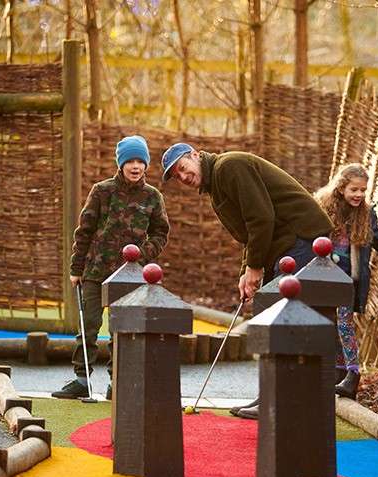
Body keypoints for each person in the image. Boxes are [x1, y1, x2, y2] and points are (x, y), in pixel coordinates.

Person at [161, 143, 333, 419]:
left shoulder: (230, 166)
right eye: (176, 176)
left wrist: (255, 266)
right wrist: (247, 271)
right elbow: (248, 234)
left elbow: (261, 218)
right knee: (271, 312)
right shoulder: (216, 188)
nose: (182, 177)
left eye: (182, 168)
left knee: (282, 317)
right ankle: (272, 394)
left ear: (195, 155)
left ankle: (283, 399)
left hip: (302, 237)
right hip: (284, 244)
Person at [53, 135, 170, 400]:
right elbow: (84, 230)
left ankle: (116, 381)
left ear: (146, 165)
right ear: (121, 164)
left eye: (141, 160)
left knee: (121, 329)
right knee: (90, 324)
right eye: (130, 160)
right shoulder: (101, 190)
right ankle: (82, 379)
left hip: (129, 275)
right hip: (95, 270)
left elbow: (161, 233)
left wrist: (143, 254)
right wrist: (76, 267)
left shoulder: (152, 197)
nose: (136, 166)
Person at [314, 164, 378, 400]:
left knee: (344, 325)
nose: (359, 194)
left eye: (362, 190)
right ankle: (339, 372)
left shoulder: (366, 214)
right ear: (341, 188)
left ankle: (353, 375)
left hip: (347, 280)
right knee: (330, 326)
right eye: (354, 189)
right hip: (325, 277)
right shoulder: (323, 206)